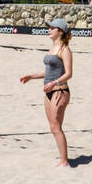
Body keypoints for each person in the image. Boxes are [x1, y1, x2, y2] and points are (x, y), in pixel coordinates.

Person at [20, 18, 74, 167]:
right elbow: (49, 71)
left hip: (60, 91)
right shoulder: (52, 48)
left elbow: (69, 74)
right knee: (53, 126)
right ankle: (63, 158)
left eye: (52, 28)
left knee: (56, 126)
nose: (49, 30)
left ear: (61, 31)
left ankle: (65, 161)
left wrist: (54, 83)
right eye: (49, 28)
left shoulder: (65, 49)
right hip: (49, 91)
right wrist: (31, 76)